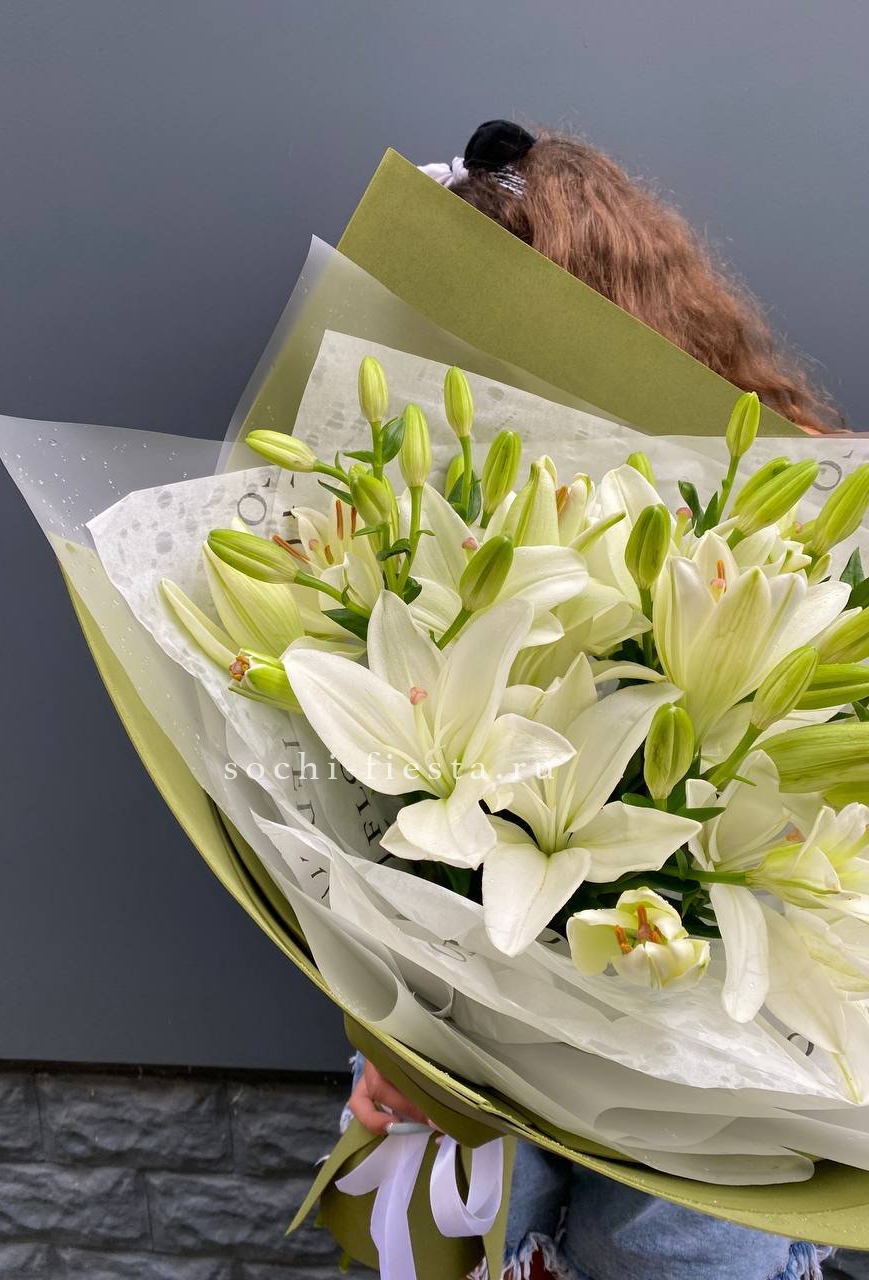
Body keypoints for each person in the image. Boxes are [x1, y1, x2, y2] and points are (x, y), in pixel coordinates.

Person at [346, 122, 858, 1280]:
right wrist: (393, 1029)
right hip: (475, 1020)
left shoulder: (786, 503)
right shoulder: (426, 508)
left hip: (700, 1048)